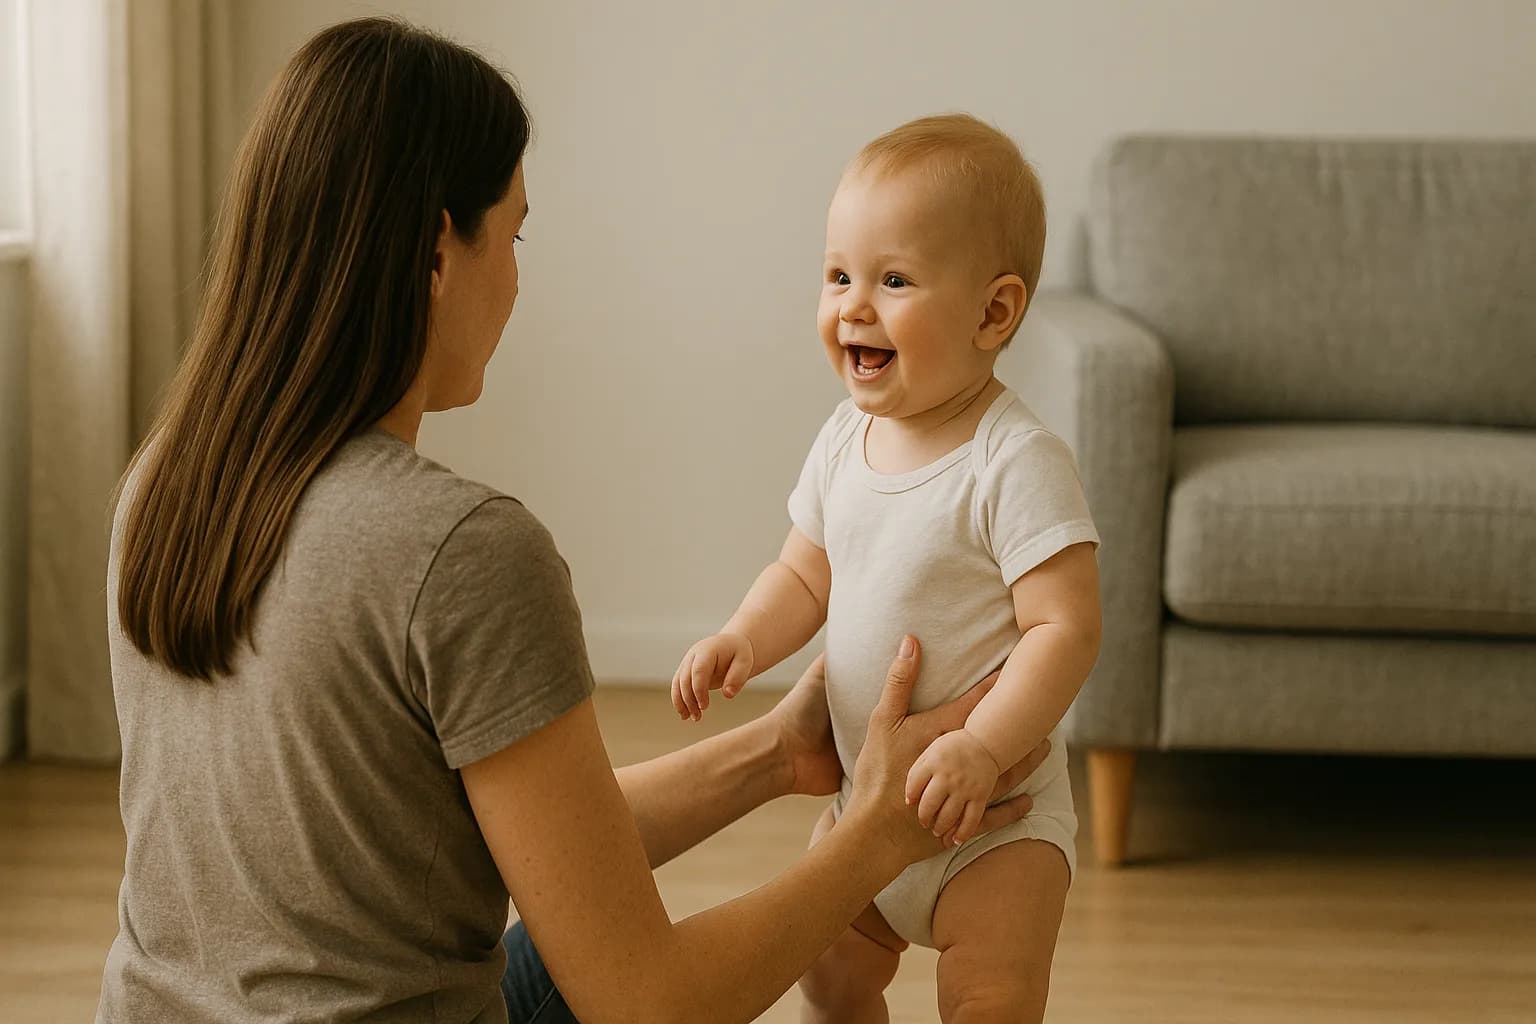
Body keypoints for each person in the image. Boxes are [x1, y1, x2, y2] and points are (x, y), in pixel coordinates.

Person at [97, 20, 1050, 1024]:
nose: (516, 276)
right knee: (644, 952)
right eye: (512, 235)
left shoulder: (166, 483)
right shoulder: (460, 552)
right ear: (434, 250)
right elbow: (648, 1000)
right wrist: (881, 834)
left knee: (570, 932)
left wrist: (775, 754)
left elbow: (518, 837)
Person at [671, 114, 1103, 1022]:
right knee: (826, 982)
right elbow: (803, 572)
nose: (853, 306)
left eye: (894, 280)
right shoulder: (845, 438)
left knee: (988, 998)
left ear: (995, 312)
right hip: (863, 808)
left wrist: (982, 748)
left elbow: (1066, 626)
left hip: (995, 824)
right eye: (839, 275)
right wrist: (744, 638)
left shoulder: (1012, 459)